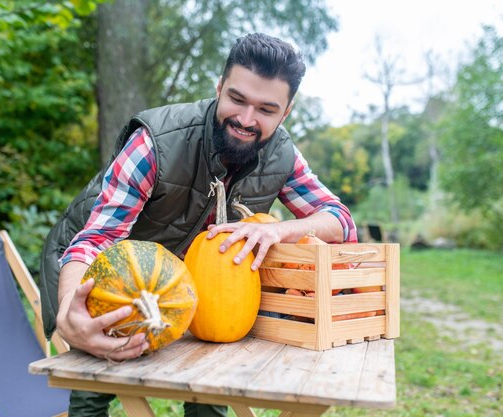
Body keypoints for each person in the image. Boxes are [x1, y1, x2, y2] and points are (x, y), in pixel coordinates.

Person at [39, 32, 357, 417]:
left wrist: (280, 229)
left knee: (214, 368)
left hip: (192, 275)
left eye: (266, 109)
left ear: (286, 112)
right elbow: (95, 241)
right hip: (92, 266)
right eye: (237, 99)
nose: (246, 119)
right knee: (97, 370)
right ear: (220, 87)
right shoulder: (155, 142)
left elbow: (339, 219)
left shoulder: (282, 154)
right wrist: (68, 315)